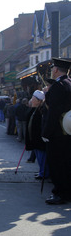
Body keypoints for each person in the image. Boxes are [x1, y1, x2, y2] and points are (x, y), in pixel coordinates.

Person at [42, 58, 71, 205]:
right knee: (67, 163)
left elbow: (53, 112)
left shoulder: (58, 86)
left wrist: (46, 133)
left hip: (57, 132)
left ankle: (60, 193)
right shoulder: (68, 83)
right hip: (68, 129)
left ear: (55, 70)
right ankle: (67, 191)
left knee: (56, 164)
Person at [25, 90, 48, 180]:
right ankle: (41, 172)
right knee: (39, 157)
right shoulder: (34, 110)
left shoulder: (40, 111)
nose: (31, 100)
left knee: (42, 158)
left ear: (38, 101)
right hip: (34, 139)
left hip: (39, 139)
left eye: (33, 98)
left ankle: (43, 173)